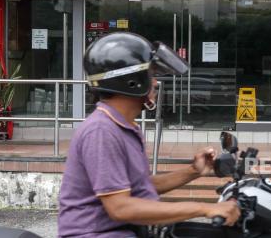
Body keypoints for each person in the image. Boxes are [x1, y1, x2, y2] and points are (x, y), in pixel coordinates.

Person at [58, 32, 240, 237]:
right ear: (132, 81)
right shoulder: (101, 131)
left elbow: (140, 186)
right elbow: (120, 208)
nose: (155, 83)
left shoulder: (123, 126)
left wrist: (193, 171)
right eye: (151, 75)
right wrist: (205, 208)